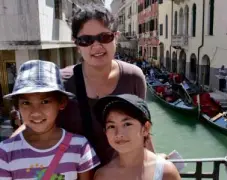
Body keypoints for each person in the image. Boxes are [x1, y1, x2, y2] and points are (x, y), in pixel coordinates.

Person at [11, 2, 152, 167]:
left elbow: (142, 130)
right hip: (71, 172)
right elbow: (37, 119)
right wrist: (8, 146)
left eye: (105, 37)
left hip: (118, 173)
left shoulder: (133, 77)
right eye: (86, 40)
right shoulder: (60, 81)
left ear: (116, 37)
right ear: (76, 44)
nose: (97, 46)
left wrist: (155, 165)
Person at [1, 60, 100, 179]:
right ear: (17, 106)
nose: (36, 112)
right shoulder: (5, 151)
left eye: (45, 102)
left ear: (61, 102)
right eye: (26, 103)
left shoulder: (79, 146)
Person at [93, 94, 181, 180]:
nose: (119, 134)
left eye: (127, 124)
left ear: (145, 128)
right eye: (111, 126)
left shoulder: (166, 172)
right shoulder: (102, 176)